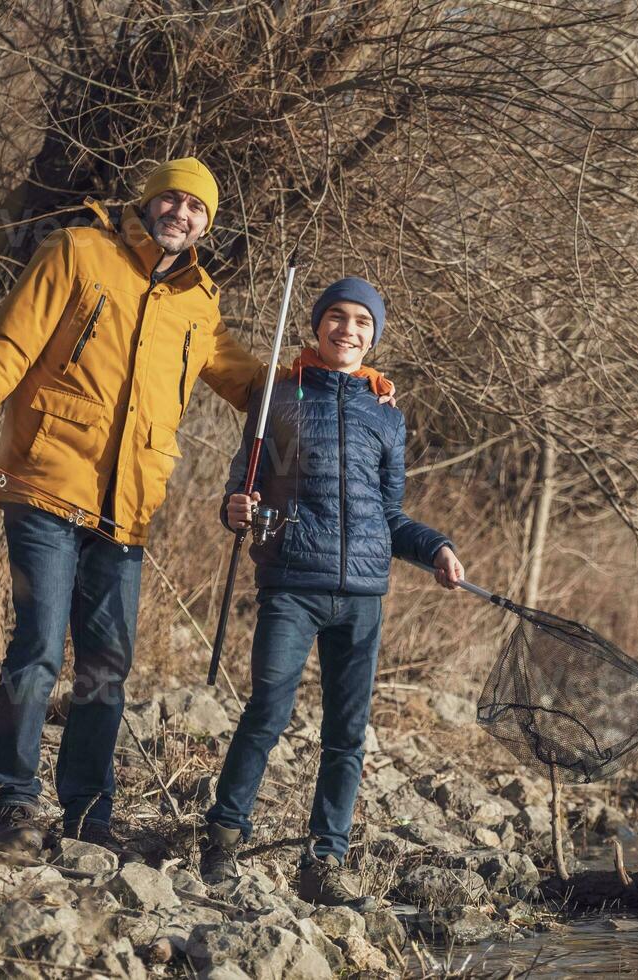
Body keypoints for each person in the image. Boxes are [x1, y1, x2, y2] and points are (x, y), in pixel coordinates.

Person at [0, 159, 384, 857]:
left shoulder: (198, 300)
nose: (182, 212)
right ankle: (14, 804)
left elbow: (250, 383)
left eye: (197, 208)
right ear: (148, 201)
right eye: (172, 198)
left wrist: (344, 383)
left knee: (107, 665)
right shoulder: (79, 252)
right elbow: (11, 342)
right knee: (40, 649)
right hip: (47, 482)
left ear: (207, 224)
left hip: (128, 508)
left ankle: (87, 812)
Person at [198, 276, 462, 908]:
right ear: (317, 326)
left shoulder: (387, 418)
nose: (348, 330)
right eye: (337, 318)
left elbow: (391, 518)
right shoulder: (276, 401)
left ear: (373, 336)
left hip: (365, 596)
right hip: (291, 585)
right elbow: (242, 491)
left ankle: (325, 859)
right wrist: (237, 509)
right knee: (268, 710)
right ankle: (223, 838)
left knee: (348, 732)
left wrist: (437, 549)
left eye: (362, 323)